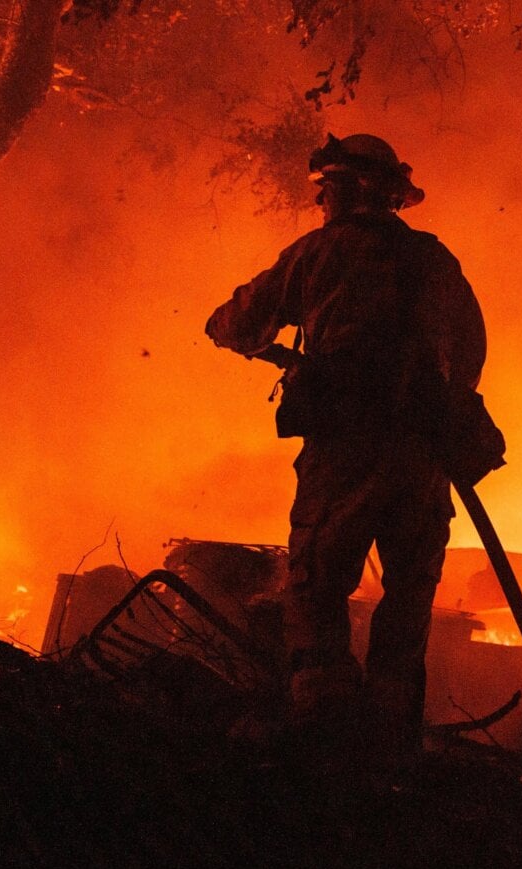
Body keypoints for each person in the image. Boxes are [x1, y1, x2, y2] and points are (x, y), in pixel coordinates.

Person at [205, 133, 486, 761]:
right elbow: (471, 352)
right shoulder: (437, 261)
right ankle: (390, 745)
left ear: (349, 188)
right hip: (424, 460)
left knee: (316, 582)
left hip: (347, 449)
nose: (322, 202)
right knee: (409, 597)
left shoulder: (320, 252)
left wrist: (227, 332)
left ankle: (322, 740)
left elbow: (240, 320)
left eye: (326, 189)